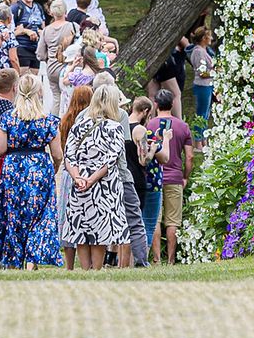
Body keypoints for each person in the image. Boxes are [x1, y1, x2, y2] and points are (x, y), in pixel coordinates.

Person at [0, 75, 61, 269]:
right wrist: (54, 168)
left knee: (13, 215)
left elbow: (0, 149)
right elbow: (57, 154)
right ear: (39, 92)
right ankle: (32, 262)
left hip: (14, 168)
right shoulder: (48, 121)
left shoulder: (7, 118)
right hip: (40, 168)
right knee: (40, 216)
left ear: (18, 90)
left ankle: (12, 261)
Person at [62, 84, 131, 271]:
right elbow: (111, 159)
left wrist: (78, 178)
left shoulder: (79, 126)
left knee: (82, 226)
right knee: (99, 228)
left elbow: (69, 155)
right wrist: (92, 179)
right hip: (104, 185)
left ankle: (85, 269)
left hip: (80, 181)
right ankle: (97, 269)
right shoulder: (115, 128)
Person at [152, 88, 194, 264]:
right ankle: (170, 259)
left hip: (155, 177)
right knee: (172, 221)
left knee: (155, 219)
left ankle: (156, 259)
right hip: (175, 177)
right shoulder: (182, 126)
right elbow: (190, 156)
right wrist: (185, 176)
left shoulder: (150, 125)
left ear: (156, 105)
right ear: (173, 104)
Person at [54, 84, 92, 269]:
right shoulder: (91, 121)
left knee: (68, 216)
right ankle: (89, 262)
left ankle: (69, 264)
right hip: (87, 171)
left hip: (69, 171)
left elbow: (61, 148)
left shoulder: (66, 120)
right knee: (86, 215)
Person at [129, 95, 161, 265]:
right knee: (137, 223)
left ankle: (120, 261)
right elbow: (144, 160)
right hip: (137, 179)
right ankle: (139, 260)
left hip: (121, 177)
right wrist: (154, 148)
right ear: (145, 111)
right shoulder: (139, 130)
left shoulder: (120, 124)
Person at [188, 25, 218, 126]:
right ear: (203, 39)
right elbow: (202, 73)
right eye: (209, 36)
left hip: (207, 86)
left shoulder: (203, 51)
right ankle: (198, 140)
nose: (211, 38)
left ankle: (203, 140)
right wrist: (216, 73)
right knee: (201, 114)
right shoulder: (198, 52)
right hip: (202, 86)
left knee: (206, 114)